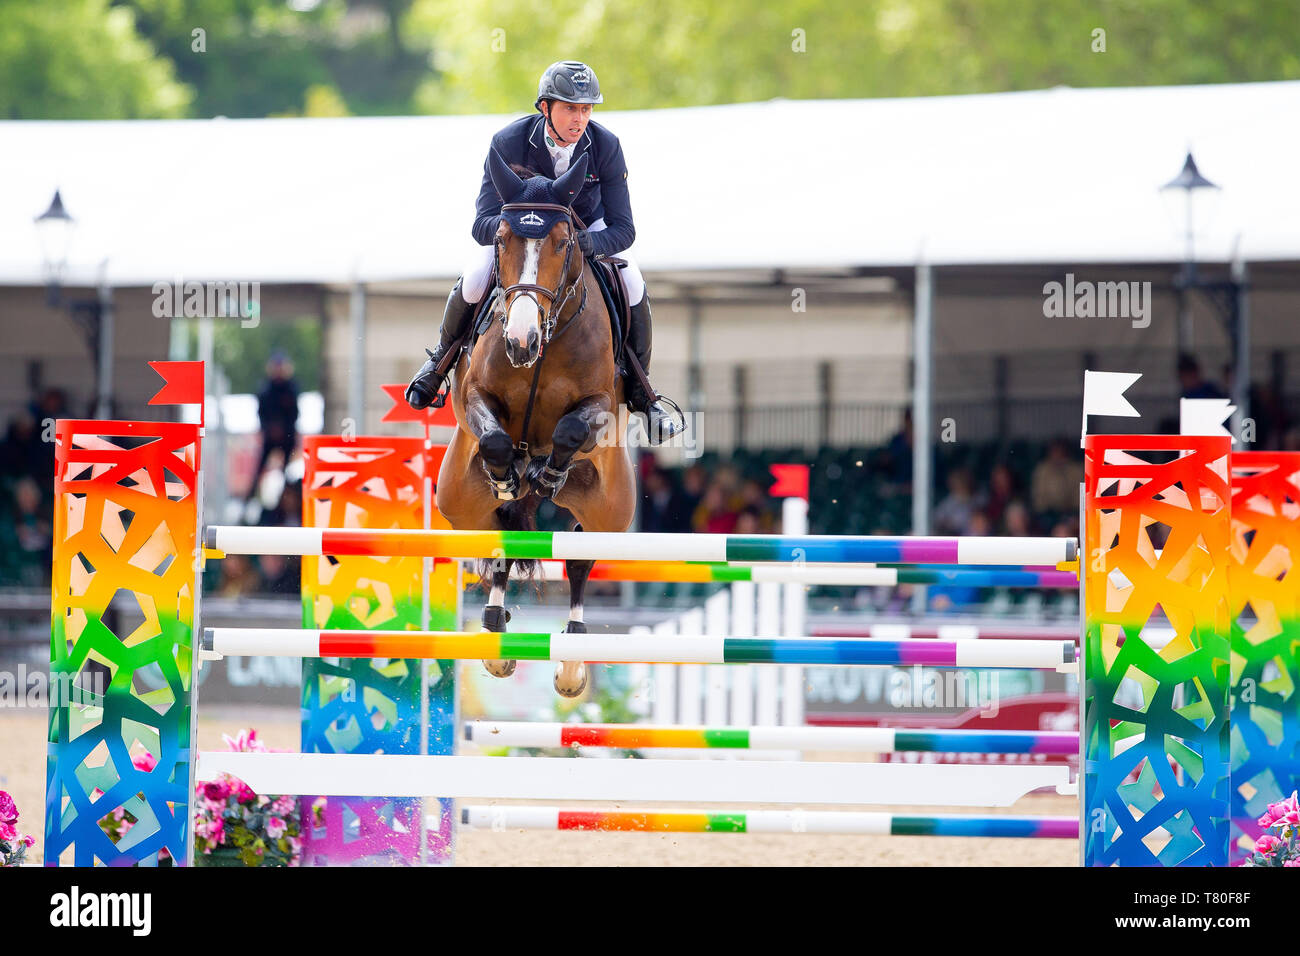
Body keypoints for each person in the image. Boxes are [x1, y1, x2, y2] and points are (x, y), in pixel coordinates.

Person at [405, 60, 682, 442]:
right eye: (571, 108)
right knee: (474, 277)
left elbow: (624, 228)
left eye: (586, 109)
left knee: (633, 281)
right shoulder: (507, 142)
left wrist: (589, 244)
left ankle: (642, 391)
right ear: (544, 107)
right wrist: (515, 234)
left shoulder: (605, 146)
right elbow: (480, 222)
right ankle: (438, 361)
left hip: (584, 233)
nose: (579, 119)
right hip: (518, 236)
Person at [248, 352, 300, 502]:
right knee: (259, 471)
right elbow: (261, 413)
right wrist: (269, 429)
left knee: (288, 472)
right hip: (270, 436)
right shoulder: (266, 389)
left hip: (287, 436)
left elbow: (295, 414)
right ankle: (250, 501)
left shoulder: (291, 388)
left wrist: (285, 430)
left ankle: (286, 502)